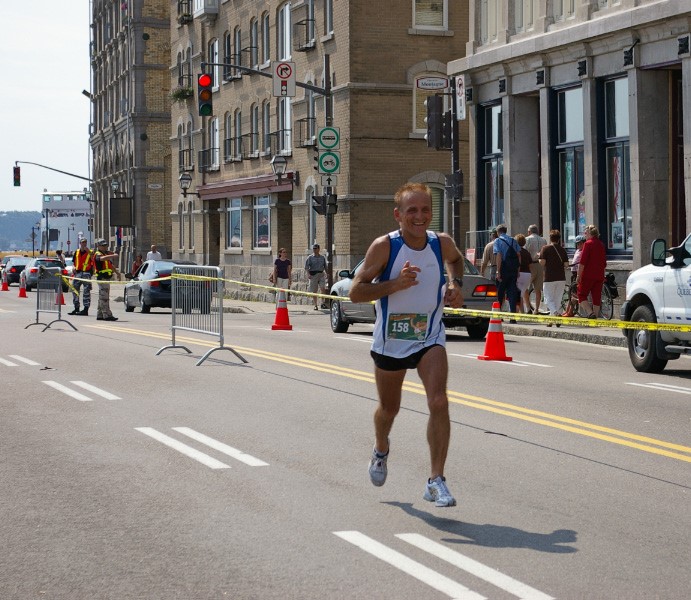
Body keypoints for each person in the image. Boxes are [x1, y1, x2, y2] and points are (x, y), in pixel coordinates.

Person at [350, 182, 465, 508]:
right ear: (398, 214)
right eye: (412, 210)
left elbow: (456, 262)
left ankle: (435, 480)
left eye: (425, 209)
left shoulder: (441, 243)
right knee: (390, 409)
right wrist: (395, 284)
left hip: (429, 336)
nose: (419, 216)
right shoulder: (385, 247)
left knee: (439, 401)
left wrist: (455, 284)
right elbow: (356, 292)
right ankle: (381, 448)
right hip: (392, 341)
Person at [538, 229, 569, 327]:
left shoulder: (545, 248)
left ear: (550, 238)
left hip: (549, 277)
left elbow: (542, 263)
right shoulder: (562, 250)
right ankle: (551, 320)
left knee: (548, 298)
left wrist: (539, 257)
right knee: (557, 299)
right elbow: (566, 264)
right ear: (559, 239)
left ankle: (556, 314)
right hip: (561, 277)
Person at [577, 225, 607, 318]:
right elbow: (604, 263)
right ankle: (596, 318)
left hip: (588, 275)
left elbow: (582, 262)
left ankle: (590, 313)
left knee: (581, 295)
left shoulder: (588, 244)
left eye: (585, 233)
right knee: (596, 297)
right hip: (599, 275)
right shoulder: (601, 244)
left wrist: (579, 275)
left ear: (590, 233)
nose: (585, 235)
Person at [493, 224, 521, 318]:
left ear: (498, 232)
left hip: (503, 269)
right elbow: (518, 255)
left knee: (500, 293)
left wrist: (498, 271)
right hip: (513, 269)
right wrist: (518, 270)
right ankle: (513, 316)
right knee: (512, 293)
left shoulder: (497, 240)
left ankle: (498, 316)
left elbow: (499, 255)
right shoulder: (513, 240)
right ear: (505, 231)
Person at [524, 224, 547, 314]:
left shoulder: (527, 239)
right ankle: (536, 309)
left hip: (530, 265)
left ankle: (528, 308)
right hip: (540, 265)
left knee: (525, 287)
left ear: (529, 232)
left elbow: (525, 252)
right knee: (538, 289)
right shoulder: (543, 240)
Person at [94, 239, 119, 321]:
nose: (105, 247)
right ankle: (107, 315)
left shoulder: (105, 254)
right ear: (98, 246)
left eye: (106, 246)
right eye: (103, 246)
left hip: (106, 278)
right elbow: (101, 259)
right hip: (102, 278)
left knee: (102, 297)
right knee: (104, 297)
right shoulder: (98, 254)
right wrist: (112, 255)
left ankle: (100, 314)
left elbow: (110, 266)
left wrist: (117, 273)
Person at [69, 238, 94, 316]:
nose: (84, 244)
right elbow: (74, 262)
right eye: (83, 242)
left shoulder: (90, 252)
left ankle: (85, 309)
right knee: (74, 290)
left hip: (86, 273)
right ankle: (76, 308)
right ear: (80, 243)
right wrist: (73, 267)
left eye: (85, 242)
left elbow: (93, 261)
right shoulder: (76, 252)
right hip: (78, 273)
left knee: (86, 292)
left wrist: (91, 273)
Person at [305, 244, 327, 310]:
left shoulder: (322, 257)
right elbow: (306, 267)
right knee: (314, 290)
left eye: (316, 248)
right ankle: (315, 305)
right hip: (313, 275)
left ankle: (322, 303)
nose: (314, 250)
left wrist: (327, 273)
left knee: (323, 288)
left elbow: (325, 266)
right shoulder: (310, 257)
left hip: (321, 274)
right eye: (313, 249)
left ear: (319, 249)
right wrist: (308, 274)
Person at [515, 234, 533, 314]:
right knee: (521, 294)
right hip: (527, 274)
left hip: (519, 274)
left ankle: (518, 313)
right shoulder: (527, 252)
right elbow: (530, 265)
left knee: (518, 294)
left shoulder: (515, 251)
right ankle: (522, 312)